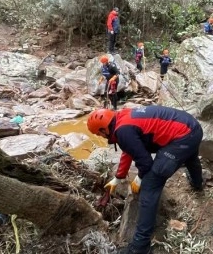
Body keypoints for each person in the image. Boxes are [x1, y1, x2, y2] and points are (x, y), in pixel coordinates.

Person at [87, 106, 204, 254]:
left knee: (150, 186)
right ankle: (197, 183)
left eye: (100, 134)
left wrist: (140, 178)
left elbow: (146, 163)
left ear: (104, 129)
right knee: (191, 157)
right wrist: (118, 177)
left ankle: (140, 246)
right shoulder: (123, 118)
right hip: (192, 127)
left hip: (184, 136)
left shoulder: (123, 131)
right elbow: (130, 148)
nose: (102, 137)